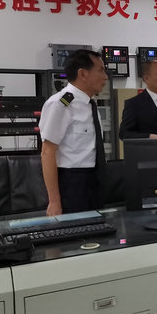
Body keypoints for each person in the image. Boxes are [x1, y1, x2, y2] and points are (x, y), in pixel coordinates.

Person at [39, 49, 108, 215]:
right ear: (83, 74)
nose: (105, 77)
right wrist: (54, 201)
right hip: (72, 183)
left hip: (95, 180)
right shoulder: (61, 103)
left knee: (97, 229)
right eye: (101, 70)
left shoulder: (90, 104)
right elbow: (47, 152)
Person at [118, 60, 157, 140]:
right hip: (151, 147)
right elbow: (124, 133)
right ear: (146, 78)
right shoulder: (134, 104)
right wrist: (148, 137)